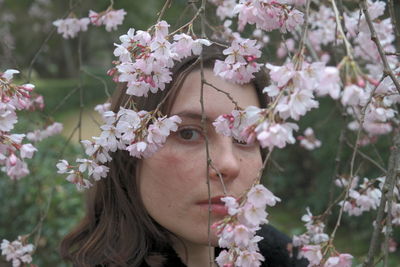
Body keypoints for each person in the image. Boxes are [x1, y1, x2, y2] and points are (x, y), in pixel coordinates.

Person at [60, 45, 308, 267]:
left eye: (245, 139)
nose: (228, 164)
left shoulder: (284, 257)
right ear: (128, 154)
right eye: (188, 134)